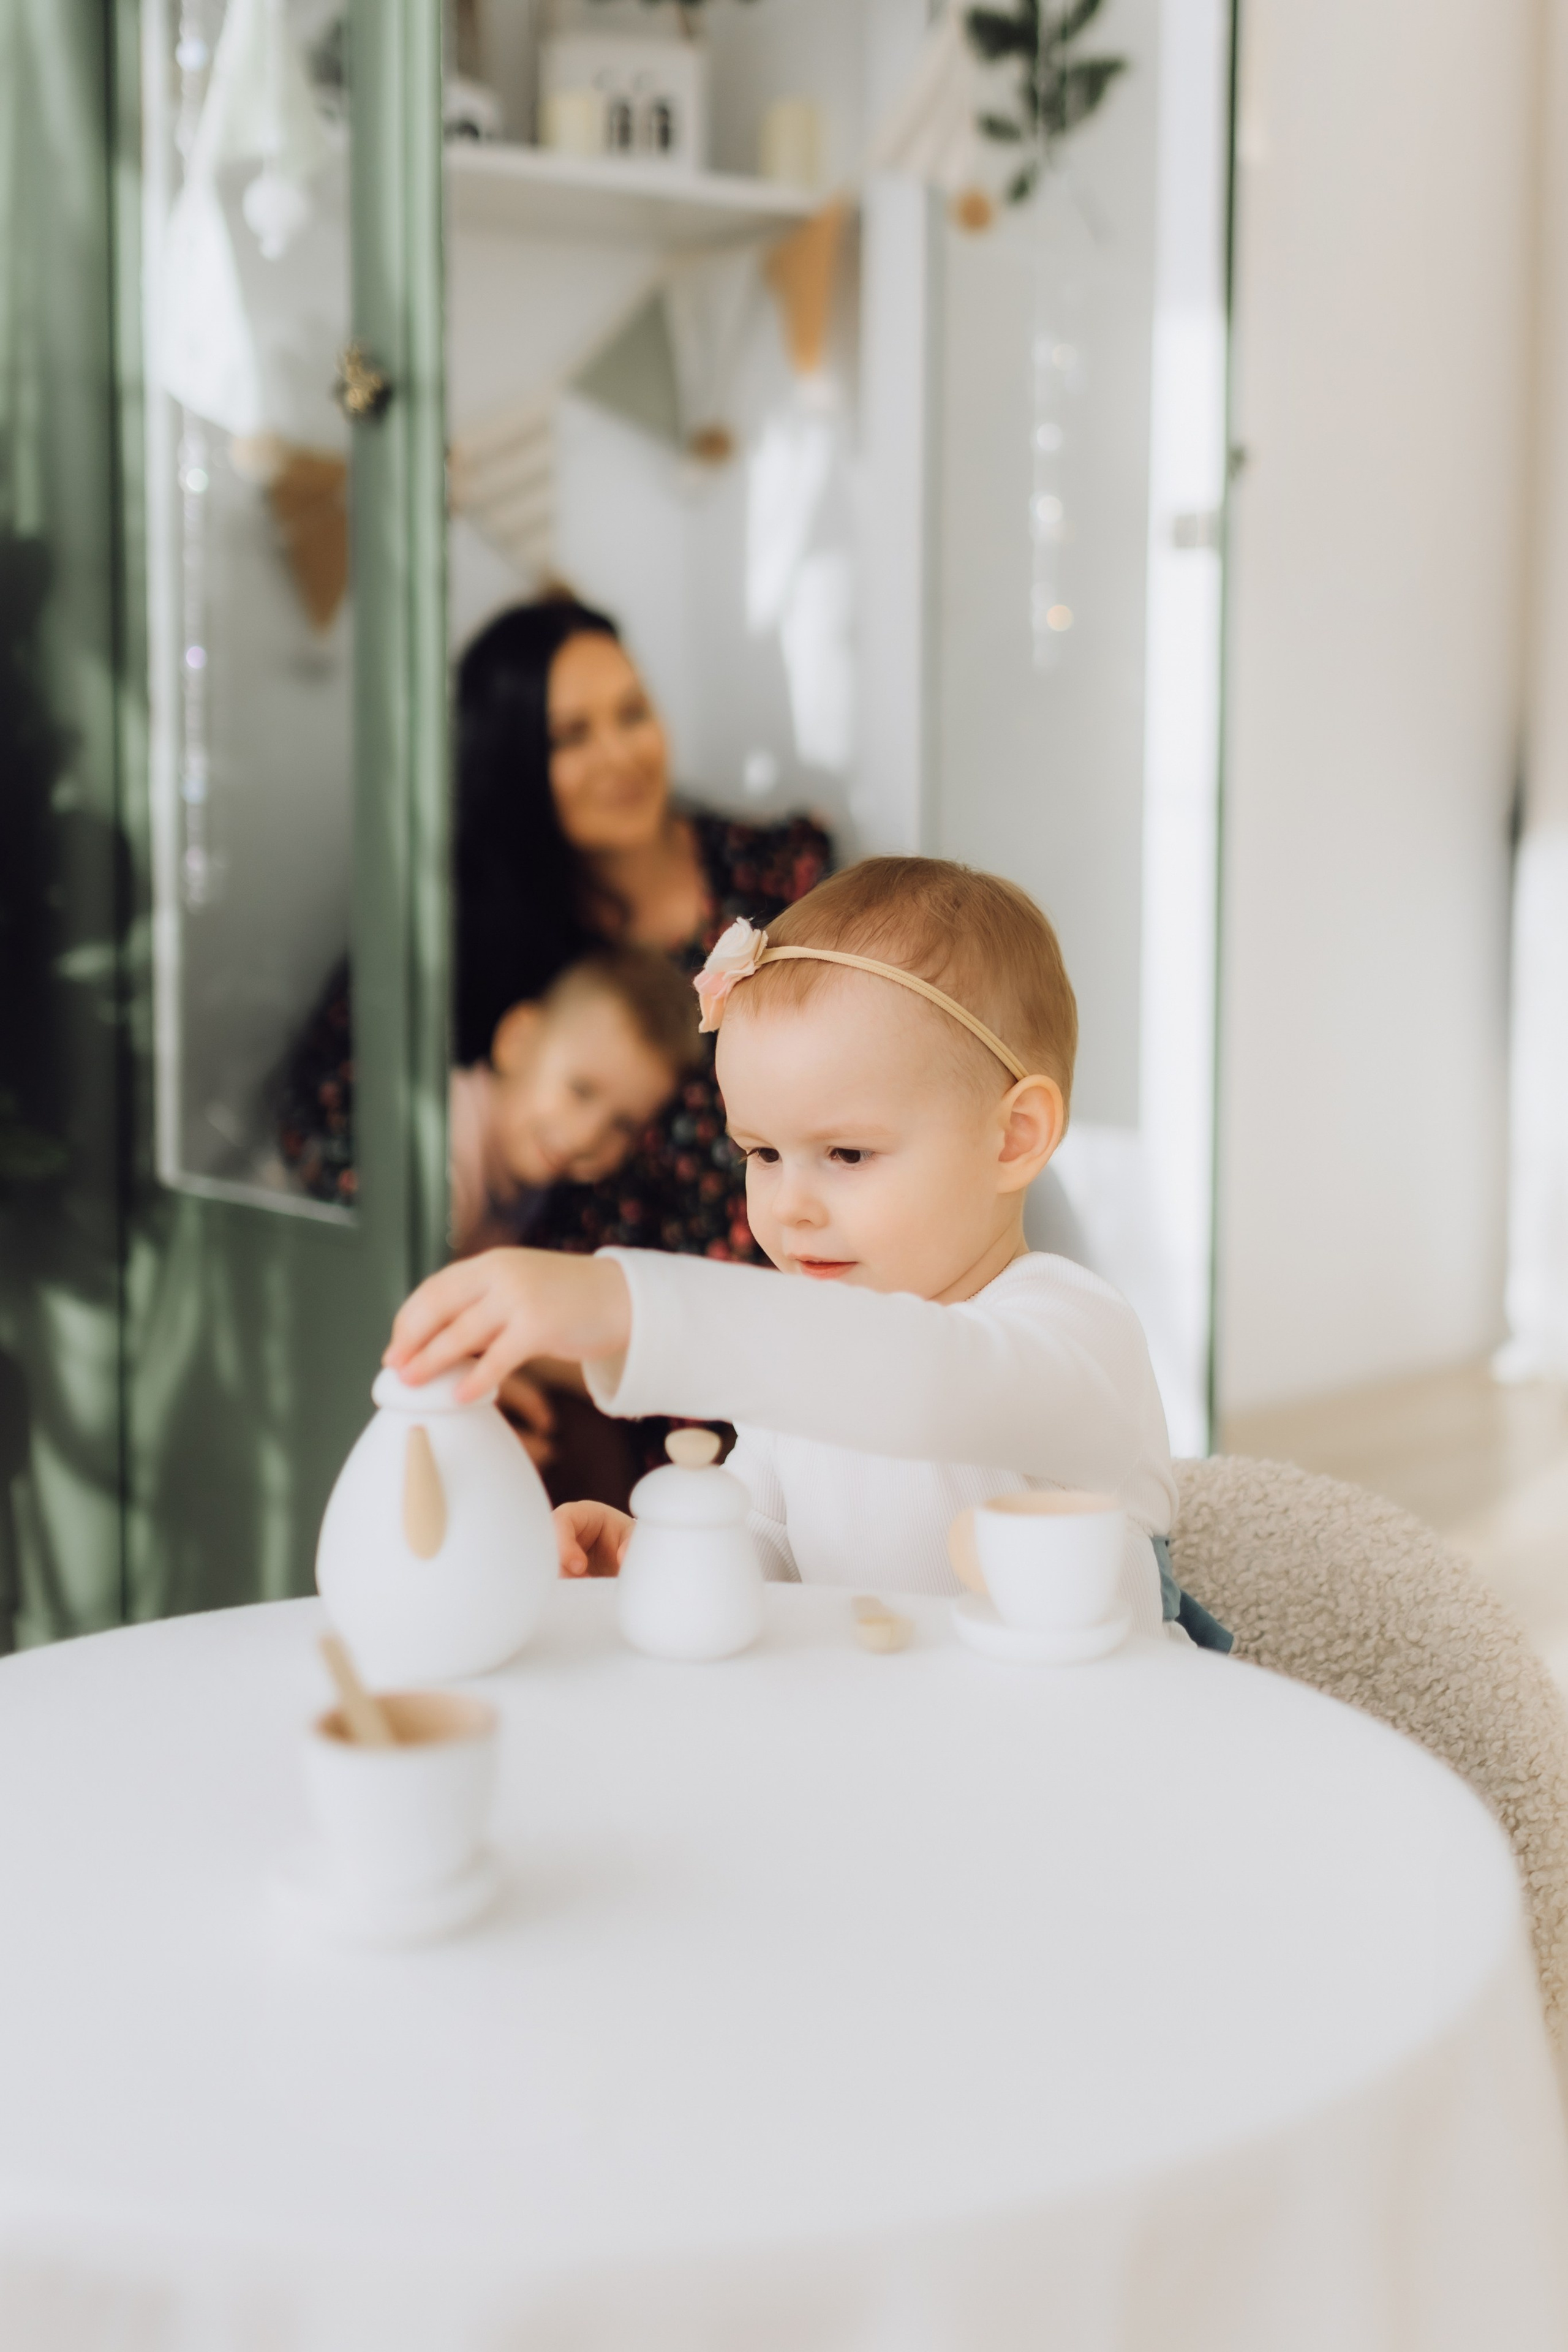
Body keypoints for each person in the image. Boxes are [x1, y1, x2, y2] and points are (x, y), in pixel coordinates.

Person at [383, 858, 1222, 1642]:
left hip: (1091, 1755)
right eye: (763, 1154)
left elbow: (920, 1381)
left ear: (1013, 1139)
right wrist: (675, 1553)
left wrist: (620, 1309)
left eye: (847, 1155)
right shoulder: (808, 1359)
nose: (790, 1206)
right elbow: (776, 1550)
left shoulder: (1072, 1333)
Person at [450, 948, 701, 1257]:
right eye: (580, 1090)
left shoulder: (528, 1186)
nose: (586, 1137)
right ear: (518, 1041)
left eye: (623, 1125)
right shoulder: (450, 1144)